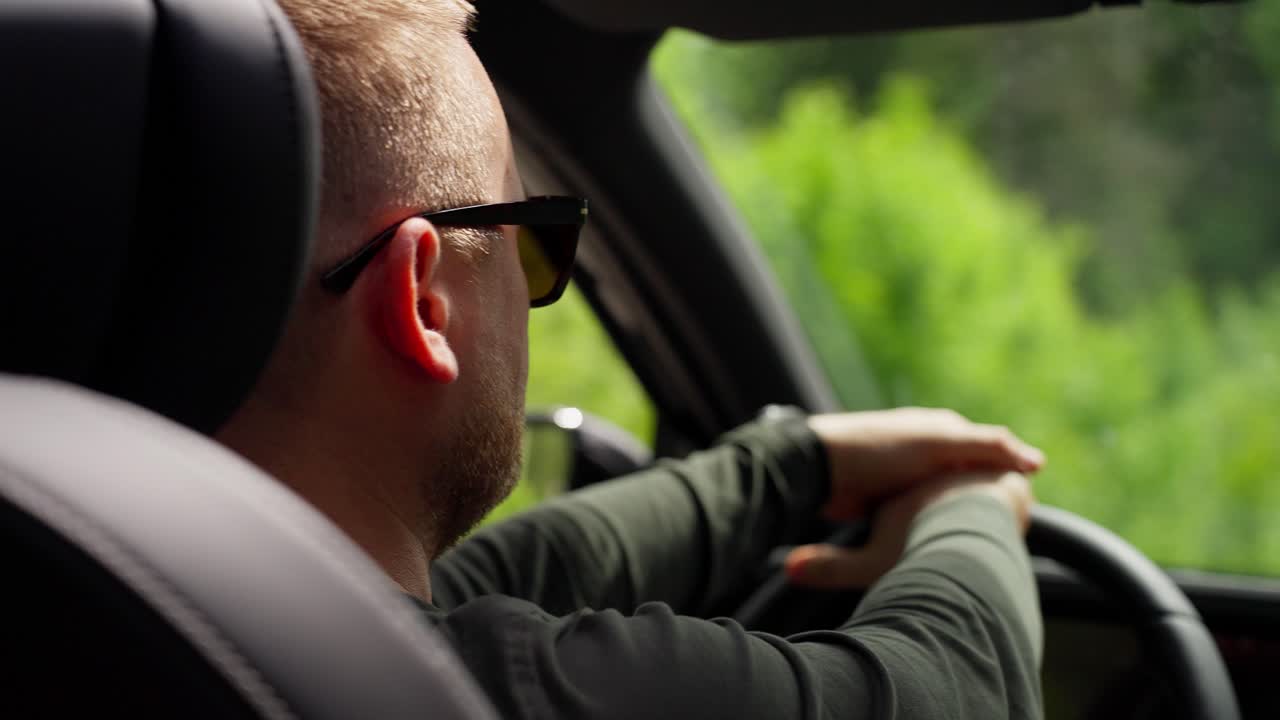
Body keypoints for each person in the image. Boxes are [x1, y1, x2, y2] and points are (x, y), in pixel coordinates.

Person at [217, 1, 1047, 717]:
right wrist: (973, 503)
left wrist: (797, 461)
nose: (543, 282)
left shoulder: (171, 604)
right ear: (425, 301)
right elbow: (956, 696)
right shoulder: (464, 695)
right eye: (535, 241)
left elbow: (505, 575)